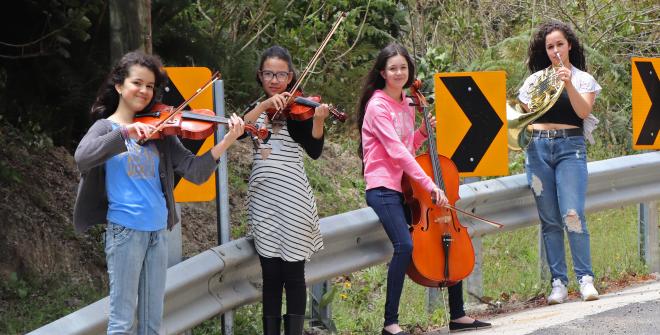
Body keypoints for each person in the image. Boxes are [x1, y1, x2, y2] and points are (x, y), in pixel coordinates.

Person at [73, 51, 245, 334]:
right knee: (122, 322)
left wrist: (226, 140)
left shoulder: (161, 131)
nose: (144, 91)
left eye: (150, 86)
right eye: (137, 83)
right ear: (119, 86)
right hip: (125, 232)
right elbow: (82, 157)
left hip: (157, 232)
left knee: (153, 323)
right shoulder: (106, 128)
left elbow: (195, 171)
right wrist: (126, 133)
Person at [357, 43, 491, 335]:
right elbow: (397, 153)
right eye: (392, 68)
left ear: (409, 71)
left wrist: (420, 132)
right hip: (383, 187)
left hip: (406, 187)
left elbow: (408, 146)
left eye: (403, 67)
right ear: (382, 72)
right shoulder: (377, 105)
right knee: (404, 245)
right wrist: (430, 185)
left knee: (445, 232)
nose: (398, 72)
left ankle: (457, 315)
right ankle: (390, 323)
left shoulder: (407, 102)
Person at [241, 45, 330, 335]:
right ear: (260, 75)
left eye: (281, 74)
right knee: (270, 275)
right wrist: (266, 105)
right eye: (269, 74)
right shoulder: (258, 109)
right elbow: (242, 128)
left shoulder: (297, 111)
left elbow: (314, 150)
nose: (275, 80)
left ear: (291, 76)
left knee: (293, 274)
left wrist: (318, 121)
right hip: (263, 203)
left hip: (294, 201)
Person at [518, 20, 601, 305]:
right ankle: (558, 282)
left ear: (570, 46)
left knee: (572, 213)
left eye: (560, 45)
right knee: (550, 219)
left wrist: (566, 82)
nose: (555, 51)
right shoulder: (534, 81)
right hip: (538, 148)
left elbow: (582, 110)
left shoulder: (582, 79)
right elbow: (524, 116)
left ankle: (585, 279)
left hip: (570, 147)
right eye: (550, 46)